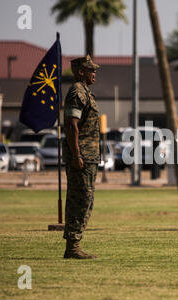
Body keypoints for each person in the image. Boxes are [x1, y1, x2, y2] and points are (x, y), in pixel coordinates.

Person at [62, 55, 100, 259]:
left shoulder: (86, 92)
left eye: (94, 70)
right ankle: (72, 247)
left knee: (86, 199)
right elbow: (71, 125)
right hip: (82, 157)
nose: (94, 73)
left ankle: (74, 245)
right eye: (90, 70)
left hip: (88, 156)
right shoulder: (77, 92)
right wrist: (76, 155)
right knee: (80, 199)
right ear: (80, 72)